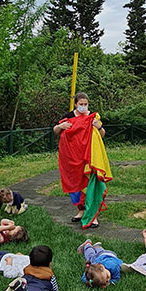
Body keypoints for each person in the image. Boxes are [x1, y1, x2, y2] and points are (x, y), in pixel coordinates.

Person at [54, 92, 112, 229]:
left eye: (85, 104)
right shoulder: (69, 117)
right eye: (81, 104)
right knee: (75, 185)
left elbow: (102, 134)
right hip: (72, 157)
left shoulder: (93, 117)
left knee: (90, 185)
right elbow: (56, 131)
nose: (83, 106)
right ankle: (81, 211)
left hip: (89, 158)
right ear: (75, 104)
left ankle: (93, 215)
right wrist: (60, 127)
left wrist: (98, 126)